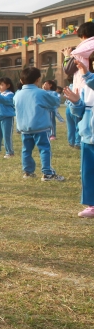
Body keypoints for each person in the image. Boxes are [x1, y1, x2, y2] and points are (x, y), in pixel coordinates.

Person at [14, 67, 64, 181]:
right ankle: (47, 173)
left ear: (21, 80)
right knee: (44, 149)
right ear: (38, 80)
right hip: (40, 127)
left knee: (26, 150)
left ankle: (28, 172)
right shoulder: (41, 93)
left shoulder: (17, 94)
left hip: (24, 128)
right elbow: (55, 102)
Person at [65, 52, 94, 217]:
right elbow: (80, 112)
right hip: (88, 137)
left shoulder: (89, 80)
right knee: (88, 173)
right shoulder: (87, 86)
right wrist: (76, 102)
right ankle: (92, 204)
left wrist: (87, 75)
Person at [0, 77, 16, 157]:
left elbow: (4, 100)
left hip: (6, 117)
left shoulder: (10, 94)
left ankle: (9, 152)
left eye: (2, 85)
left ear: (8, 85)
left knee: (6, 136)